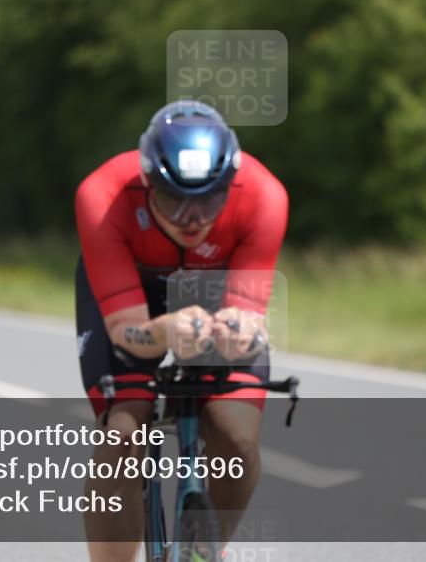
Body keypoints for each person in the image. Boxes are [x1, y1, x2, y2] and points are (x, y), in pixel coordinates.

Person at [75, 101, 288, 562]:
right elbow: (124, 330)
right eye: (174, 200)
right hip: (131, 298)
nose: (193, 219)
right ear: (148, 182)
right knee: (122, 436)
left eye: (210, 200)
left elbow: (249, 315)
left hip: (215, 291)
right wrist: (163, 332)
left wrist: (238, 332)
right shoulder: (102, 194)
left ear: (231, 185)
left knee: (236, 437)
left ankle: (206, 551)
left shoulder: (264, 195)